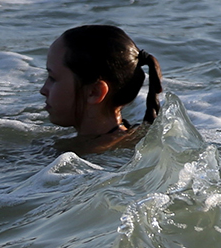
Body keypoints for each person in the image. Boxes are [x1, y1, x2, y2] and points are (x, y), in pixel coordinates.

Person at [42, 24, 164, 156]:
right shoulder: (129, 142)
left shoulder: (97, 157)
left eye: (52, 78)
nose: (43, 90)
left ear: (94, 92)